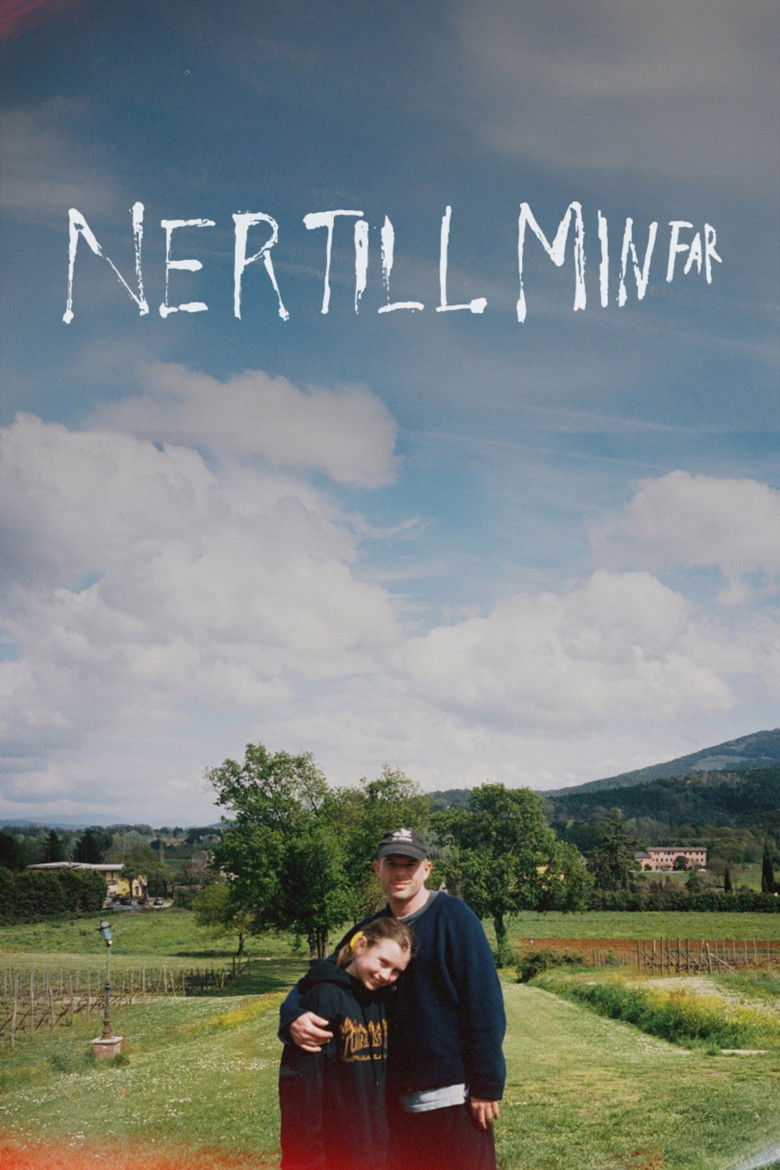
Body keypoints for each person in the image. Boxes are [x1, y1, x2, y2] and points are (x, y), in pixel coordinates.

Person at [280, 827, 505, 1170]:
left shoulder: (455, 918)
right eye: (392, 864)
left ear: (426, 869)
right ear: (378, 869)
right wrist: (292, 1013)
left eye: (409, 865)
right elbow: (323, 975)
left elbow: (484, 1003)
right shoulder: (371, 931)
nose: (400, 873)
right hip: (390, 1103)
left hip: (450, 1098)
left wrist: (487, 1084)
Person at [278, 915, 413, 1170]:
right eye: (383, 962)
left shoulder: (381, 1002)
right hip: (333, 1154)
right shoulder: (323, 998)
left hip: (375, 1153)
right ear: (360, 946)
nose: (386, 975)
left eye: (396, 971)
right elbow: (300, 1091)